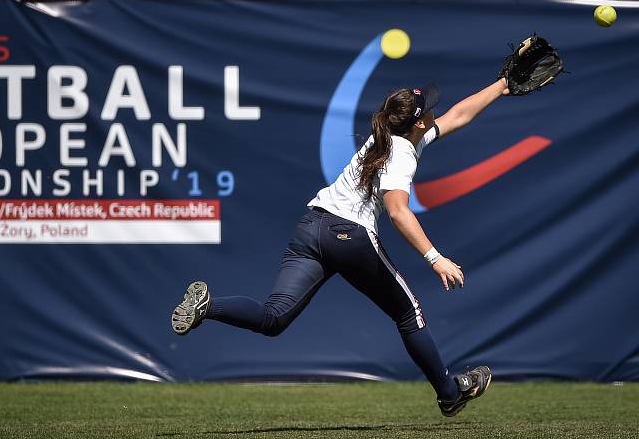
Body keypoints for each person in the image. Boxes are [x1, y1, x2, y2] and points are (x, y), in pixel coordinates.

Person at [171, 78, 510, 416]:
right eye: (429, 109)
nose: (437, 110)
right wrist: (435, 258)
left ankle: (208, 306)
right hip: (349, 234)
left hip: (312, 225)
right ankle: (449, 393)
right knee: (408, 313)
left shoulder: (396, 137)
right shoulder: (403, 152)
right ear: (419, 122)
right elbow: (397, 211)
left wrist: (502, 85)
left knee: (273, 318)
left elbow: (458, 116)